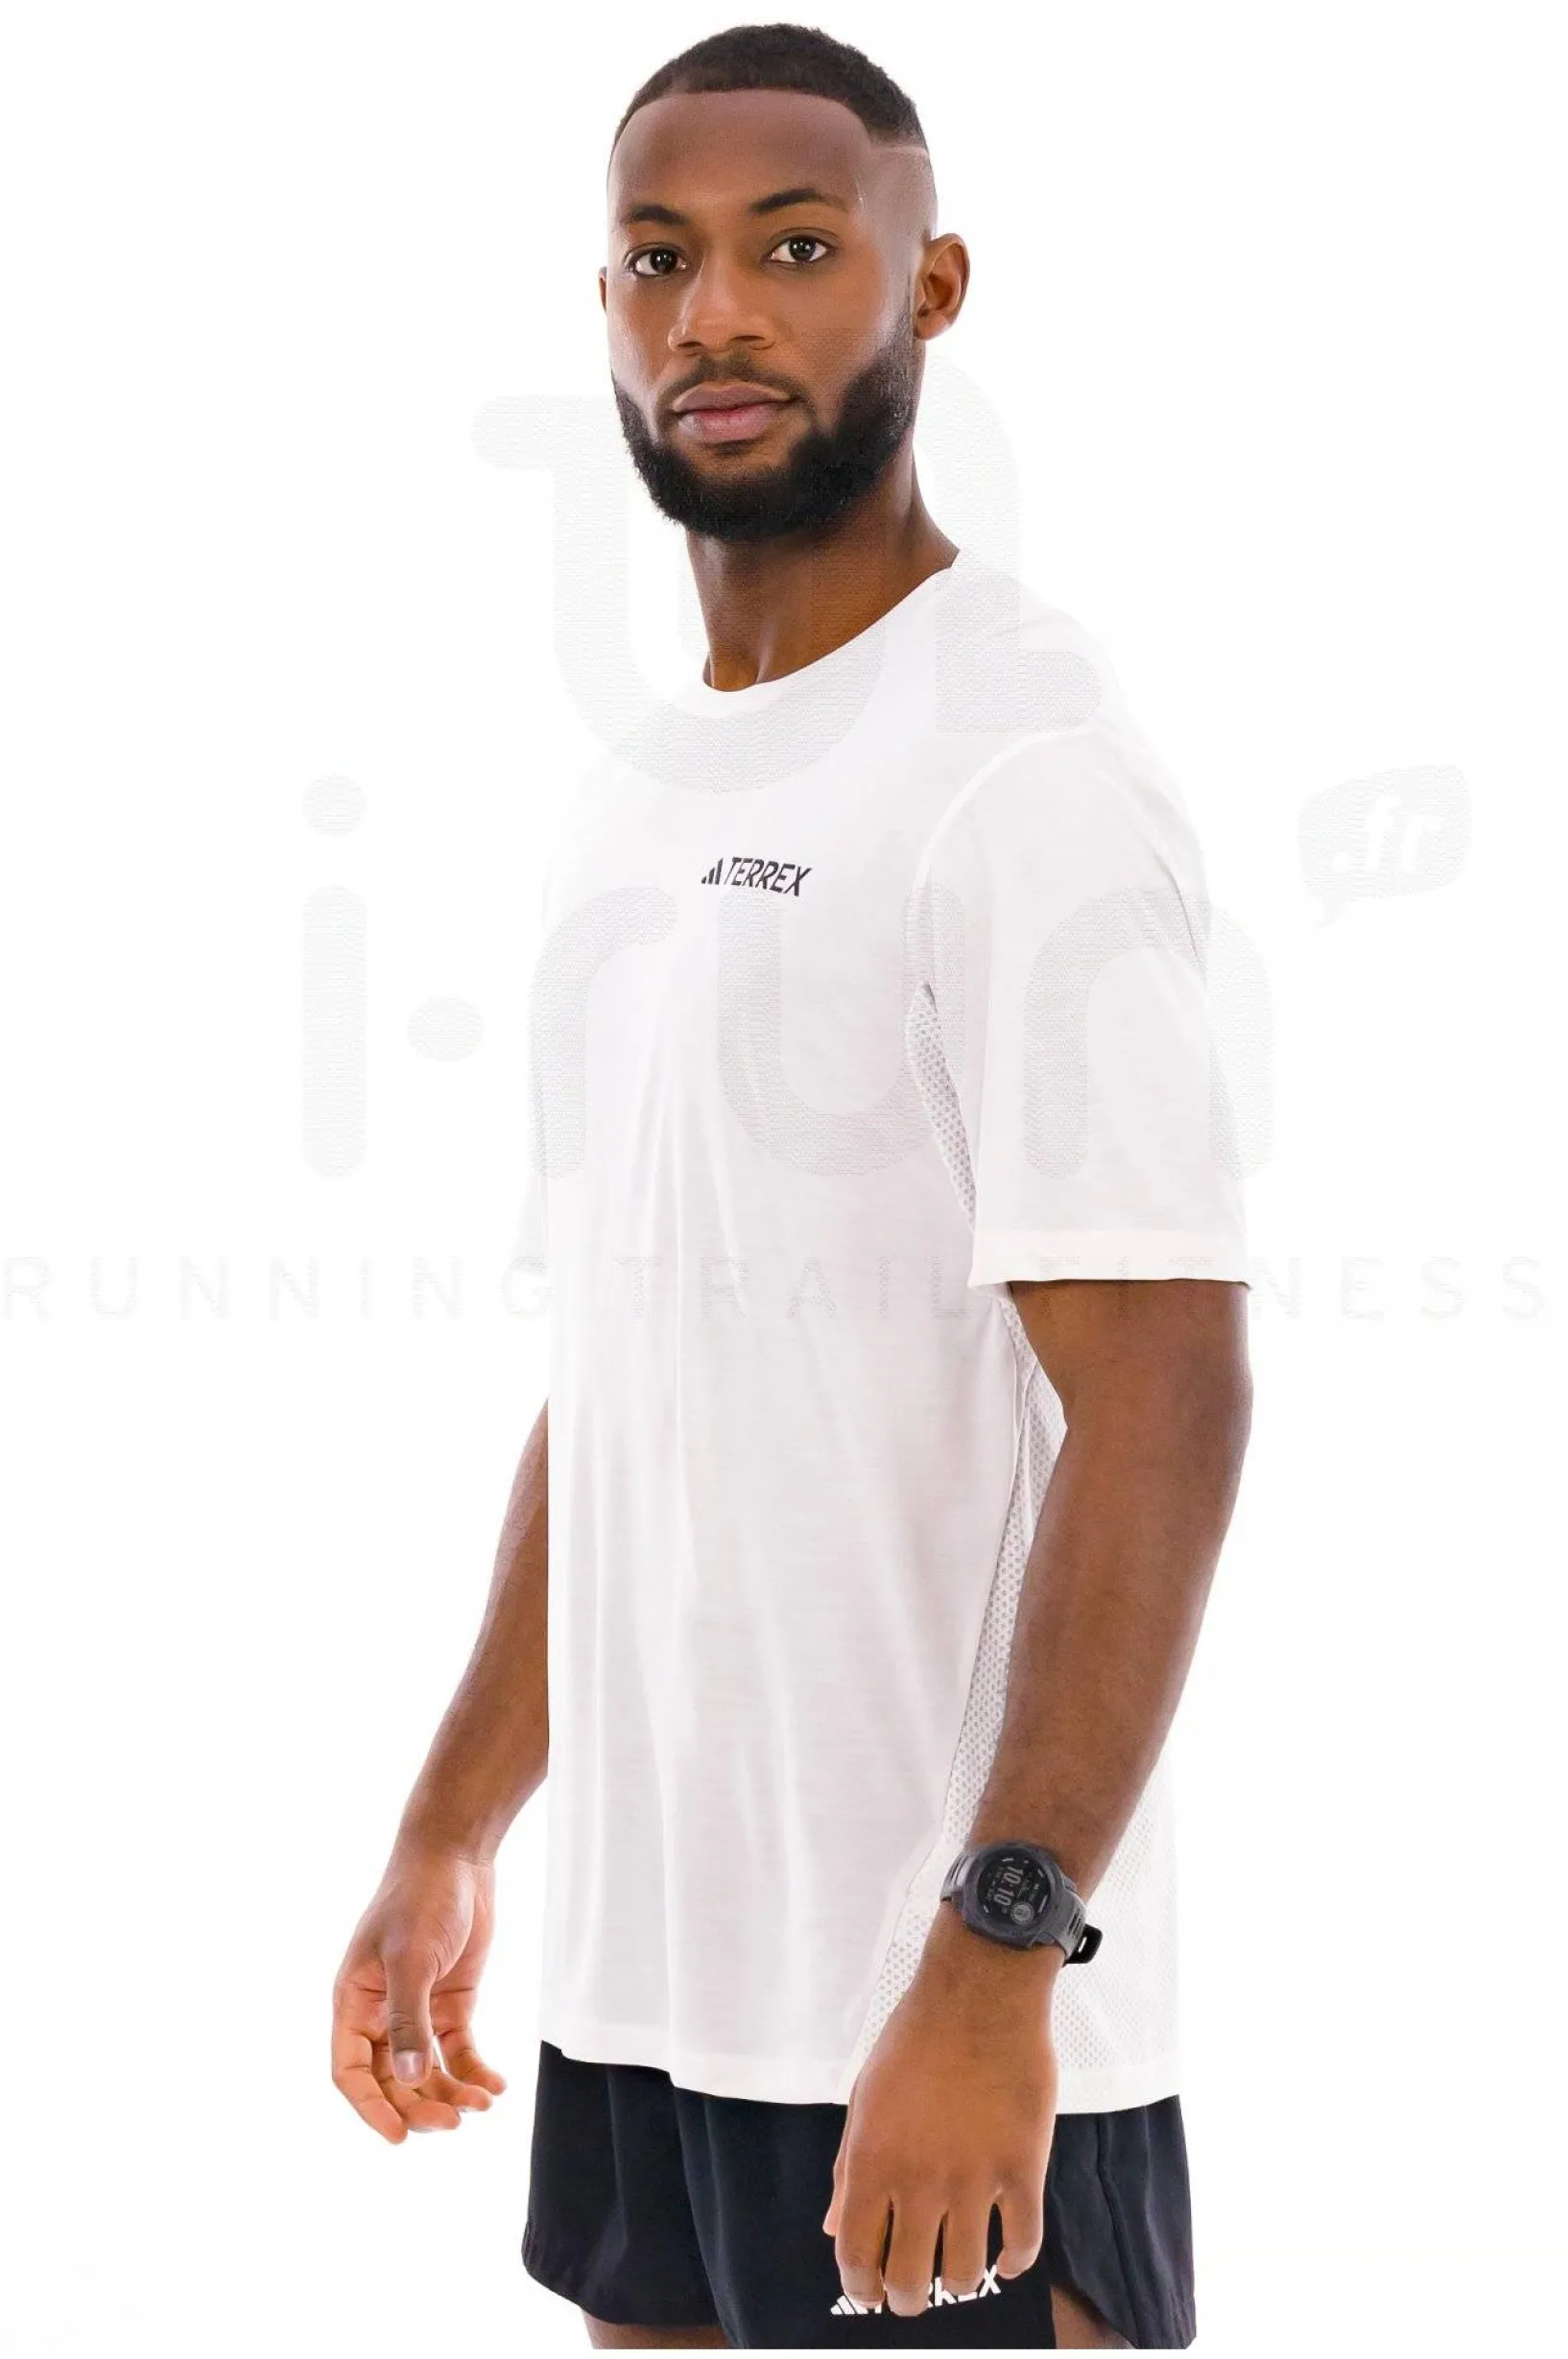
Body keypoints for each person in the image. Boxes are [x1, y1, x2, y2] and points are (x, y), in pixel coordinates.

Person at [331, 23, 1252, 2350]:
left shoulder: (1019, 766)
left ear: (929, 287)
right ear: (603, 305)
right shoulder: (637, 792)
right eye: (658, 259)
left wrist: (997, 1958)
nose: (715, 314)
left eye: (795, 247)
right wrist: (454, 1818)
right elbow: (632, 1371)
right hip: (652, 1993)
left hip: (935, 2016)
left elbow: (1163, 1394)